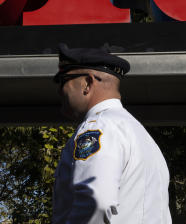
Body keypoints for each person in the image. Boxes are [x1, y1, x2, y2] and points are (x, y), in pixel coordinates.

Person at [52, 43, 172, 224]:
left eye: (63, 81)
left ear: (87, 83)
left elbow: (95, 201)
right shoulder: (138, 133)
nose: (59, 91)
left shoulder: (98, 127)